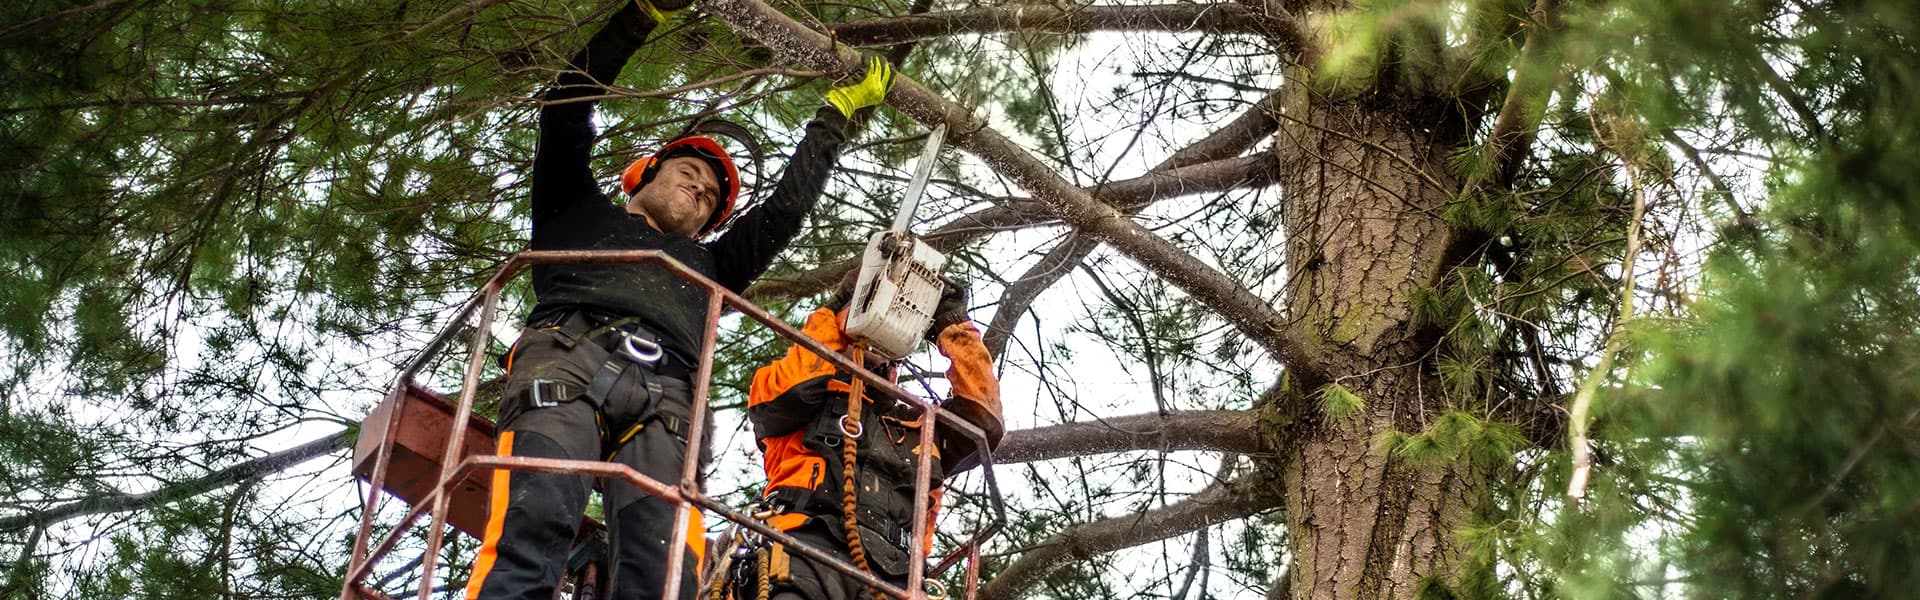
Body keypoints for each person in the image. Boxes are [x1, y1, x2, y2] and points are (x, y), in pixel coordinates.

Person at [462, 0, 898, 597]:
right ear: (644, 174)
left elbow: (785, 211)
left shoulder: (713, 266)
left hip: (666, 399)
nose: (701, 186)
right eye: (690, 170)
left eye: (712, 195)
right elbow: (565, 109)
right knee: (531, 528)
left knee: (665, 574)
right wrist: (639, 16)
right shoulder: (575, 212)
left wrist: (834, 116)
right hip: (566, 357)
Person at [737, 274, 1005, 600]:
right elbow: (795, 388)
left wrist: (953, 325)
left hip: (898, 573)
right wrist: (833, 311)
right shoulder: (802, 398)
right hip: (805, 546)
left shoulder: (922, 429)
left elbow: (984, 422)